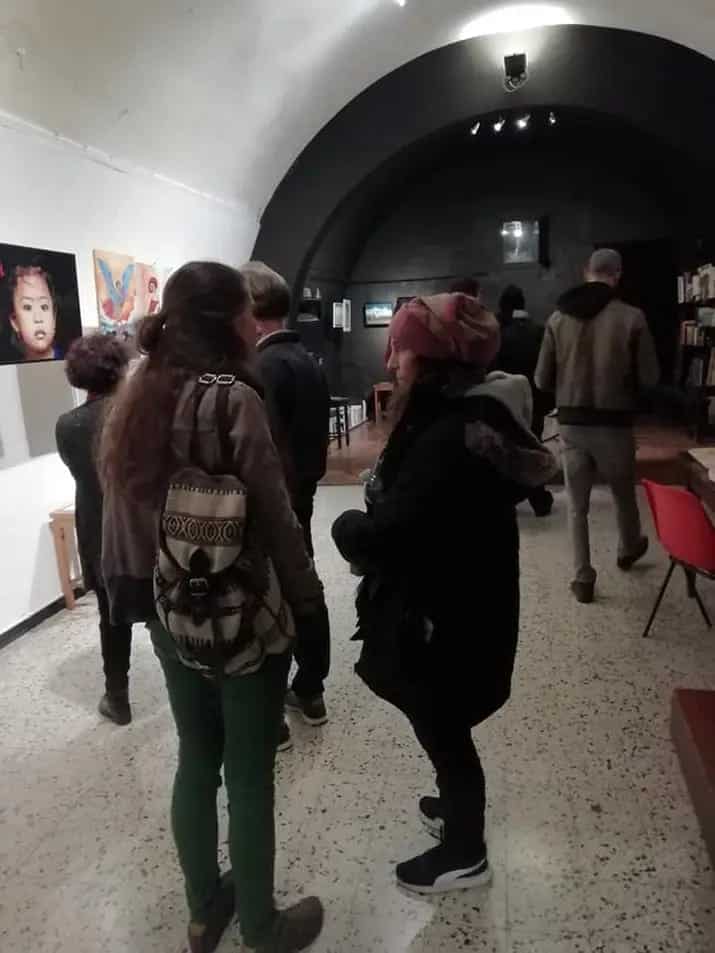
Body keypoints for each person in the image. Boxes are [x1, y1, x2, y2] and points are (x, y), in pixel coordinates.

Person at [100, 261, 324, 953]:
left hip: (169, 608)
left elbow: (125, 511)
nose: (254, 324)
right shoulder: (233, 398)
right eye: (246, 312)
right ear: (231, 320)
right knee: (250, 774)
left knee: (196, 755)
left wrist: (140, 600)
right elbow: (275, 513)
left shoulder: (138, 393)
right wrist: (308, 598)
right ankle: (261, 924)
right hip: (242, 608)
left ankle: (203, 911)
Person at [332, 294, 556, 895]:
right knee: (441, 722)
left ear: (431, 360)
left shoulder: (447, 434)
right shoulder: (469, 418)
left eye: (401, 349)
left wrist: (348, 529)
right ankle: (456, 809)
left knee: (443, 725)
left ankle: (465, 852)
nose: (391, 361)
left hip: (445, 616)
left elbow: (399, 531)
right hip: (463, 601)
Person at [535, 248, 660, 604]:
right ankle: (629, 547)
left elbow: (542, 379)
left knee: (577, 505)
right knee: (623, 493)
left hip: (572, 424)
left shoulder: (558, 318)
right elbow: (650, 377)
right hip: (615, 423)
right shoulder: (632, 317)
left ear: (585, 271)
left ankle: (583, 576)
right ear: (617, 275)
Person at [240, 261, 331, 732]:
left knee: (268, 600)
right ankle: (311, 689)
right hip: (304, 492)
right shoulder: (304, 358)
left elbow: (263, 447)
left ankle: (272, 710)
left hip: (276, 500)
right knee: (304, 585)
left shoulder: (264, 367)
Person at [56, 334, 133, 725]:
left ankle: (117, 698)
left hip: (97, 528)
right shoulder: (135, 416)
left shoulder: (68, 425)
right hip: (139, 527)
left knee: (111, 616)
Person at [496, 284, 554, 516]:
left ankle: (507, 497)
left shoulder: (499, 333)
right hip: (534, 401)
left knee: (506, 447)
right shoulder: (539, 331)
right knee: (533, 446)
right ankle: (539, 499)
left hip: (505, 399)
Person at [6, 264, 61, 360]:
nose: (38, 318)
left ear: (54, 316)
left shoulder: (73, 362)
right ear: (15, 322)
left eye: (44, 307)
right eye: (28, 307)